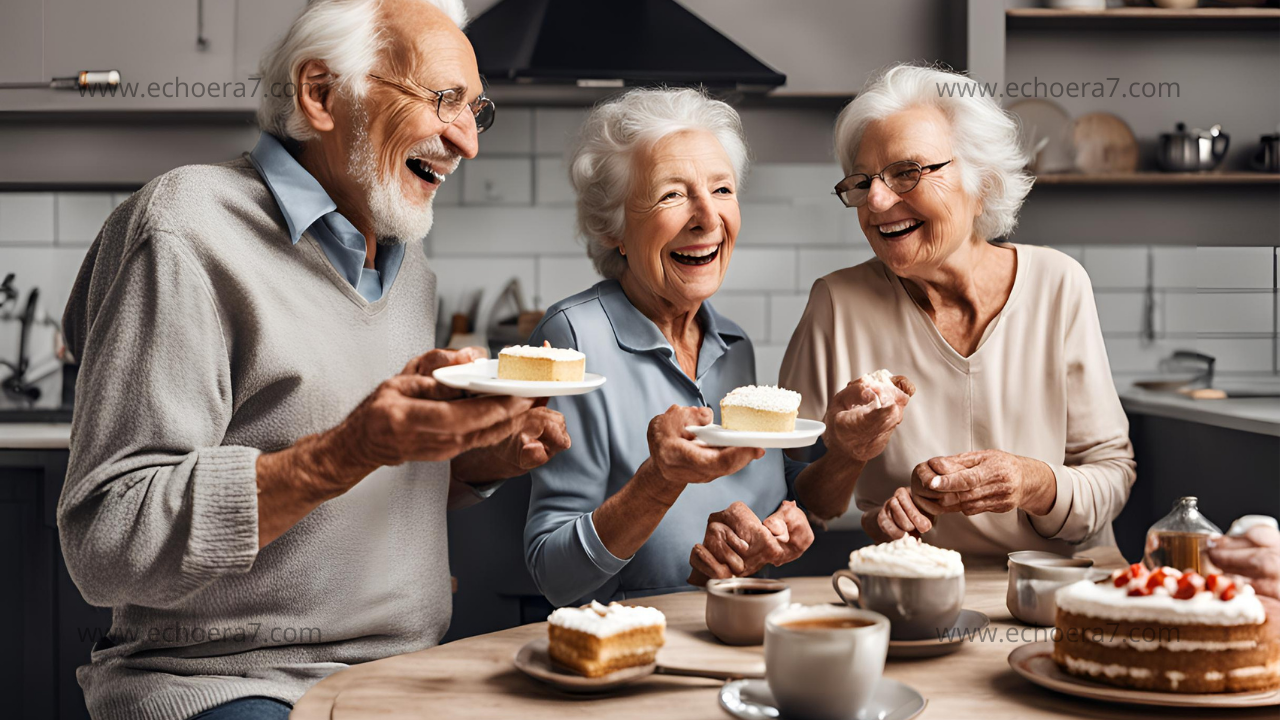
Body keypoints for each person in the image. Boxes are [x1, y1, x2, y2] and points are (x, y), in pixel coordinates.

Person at [56, 2, 569, 719]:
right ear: (321, 94)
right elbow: (106, 543)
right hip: (232, 684)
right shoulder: (187, 226)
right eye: (442, 99)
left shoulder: (404, 259)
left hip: (402, 676)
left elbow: (345, 492)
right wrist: (346, 450)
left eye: (475, 109)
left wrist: (473, 460)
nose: (466, 141)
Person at [522, 88, 881, 607]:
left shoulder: (733, 344)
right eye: (672, 194)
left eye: (721, 190)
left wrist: (783, 525)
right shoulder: (573, 339)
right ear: (614, 229)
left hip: (731, 629)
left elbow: (773, 493)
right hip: (624, 645)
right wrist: (658, 482)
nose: (707, 218)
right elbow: (553, 573)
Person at [779, 63, 1136, 556]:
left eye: (907, 172)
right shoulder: (838, 304)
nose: (877, 201)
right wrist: (849, 463)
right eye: (862, 182)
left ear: (982, 182)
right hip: (917, 595)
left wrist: (1031, 482)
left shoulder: (1059, 283)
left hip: (1062, 591)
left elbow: (1112, 474)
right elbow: (795, 502)